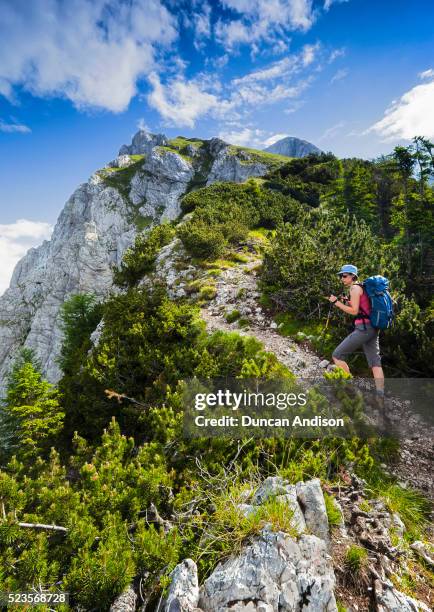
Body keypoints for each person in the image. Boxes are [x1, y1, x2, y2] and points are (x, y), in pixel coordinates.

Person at [328, 264, 384, 393]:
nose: (342, 278)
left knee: (337, 355)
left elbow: (353, 311)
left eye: (344, 275)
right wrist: (347, 301)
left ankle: (350, 389)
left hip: (363, 328)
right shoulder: (362, 287)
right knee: (375, 361)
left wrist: (336, 303)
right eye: (341, 276)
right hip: (373, 327)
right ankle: (380, 394)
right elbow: (361, 308)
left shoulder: (354, 288)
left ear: (353, 276)